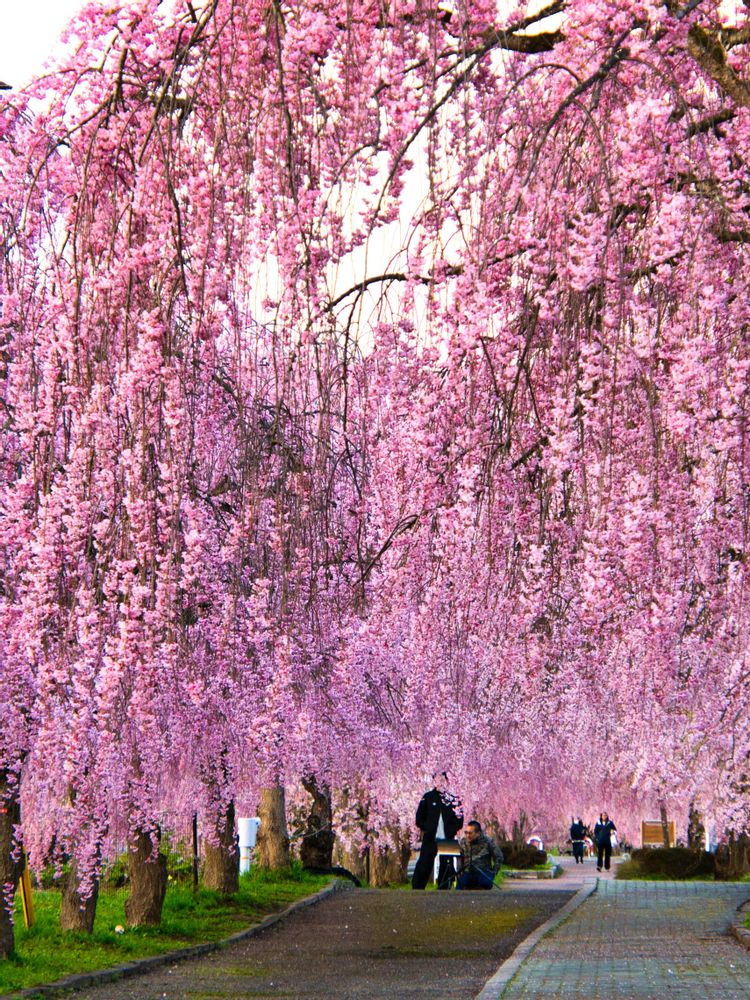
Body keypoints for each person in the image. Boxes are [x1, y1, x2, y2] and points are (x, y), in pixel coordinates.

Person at [411, 772, 463, 890]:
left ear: (447, 781)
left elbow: (459, 818)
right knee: (425, 862)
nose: (440, 782)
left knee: (447, 864)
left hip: (447, 838)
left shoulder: (453, 799)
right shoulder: (428, 797)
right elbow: (419, 818)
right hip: (430, 837)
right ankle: (417, 888)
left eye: (443, 779)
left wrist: (452, 830)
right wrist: (427, 828)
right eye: (437, 779)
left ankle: (444, 888)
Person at [456, 820, 504, 890]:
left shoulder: (488, 841)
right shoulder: (463, 842)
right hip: (467, 872)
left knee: (485, 883)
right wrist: (460, 871)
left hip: (483, 871)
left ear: (478, 833)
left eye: (470, 833)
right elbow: (459, 857)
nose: (467, 835)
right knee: (459, 886)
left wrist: (493, 872)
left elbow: (499, 857)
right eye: (466, 832)